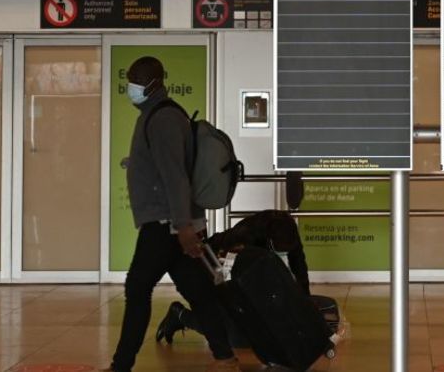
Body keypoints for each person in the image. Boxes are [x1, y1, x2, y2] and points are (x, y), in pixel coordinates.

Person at [104, 56, 239, 372]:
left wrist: (183, 227)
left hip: (167, 224)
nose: (131, 86)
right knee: (198, 290)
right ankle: (225, 356)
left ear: (153, 84)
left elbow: (175, 176)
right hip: (175, 223)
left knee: (137, 287)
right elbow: (164, 166)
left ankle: (121, 365)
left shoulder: (163, 118)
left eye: (136, 80)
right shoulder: (156, 114)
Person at [155, 209, 312, 344]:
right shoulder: (244, 236)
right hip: (213, 262)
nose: (283, 253)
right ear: (269, 241)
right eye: (278, 249)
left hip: (241, 268)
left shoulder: (289, 230)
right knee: (232, 334)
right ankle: (180, 315)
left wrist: (305, 300)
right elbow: (227, 275)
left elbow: (298, 263)